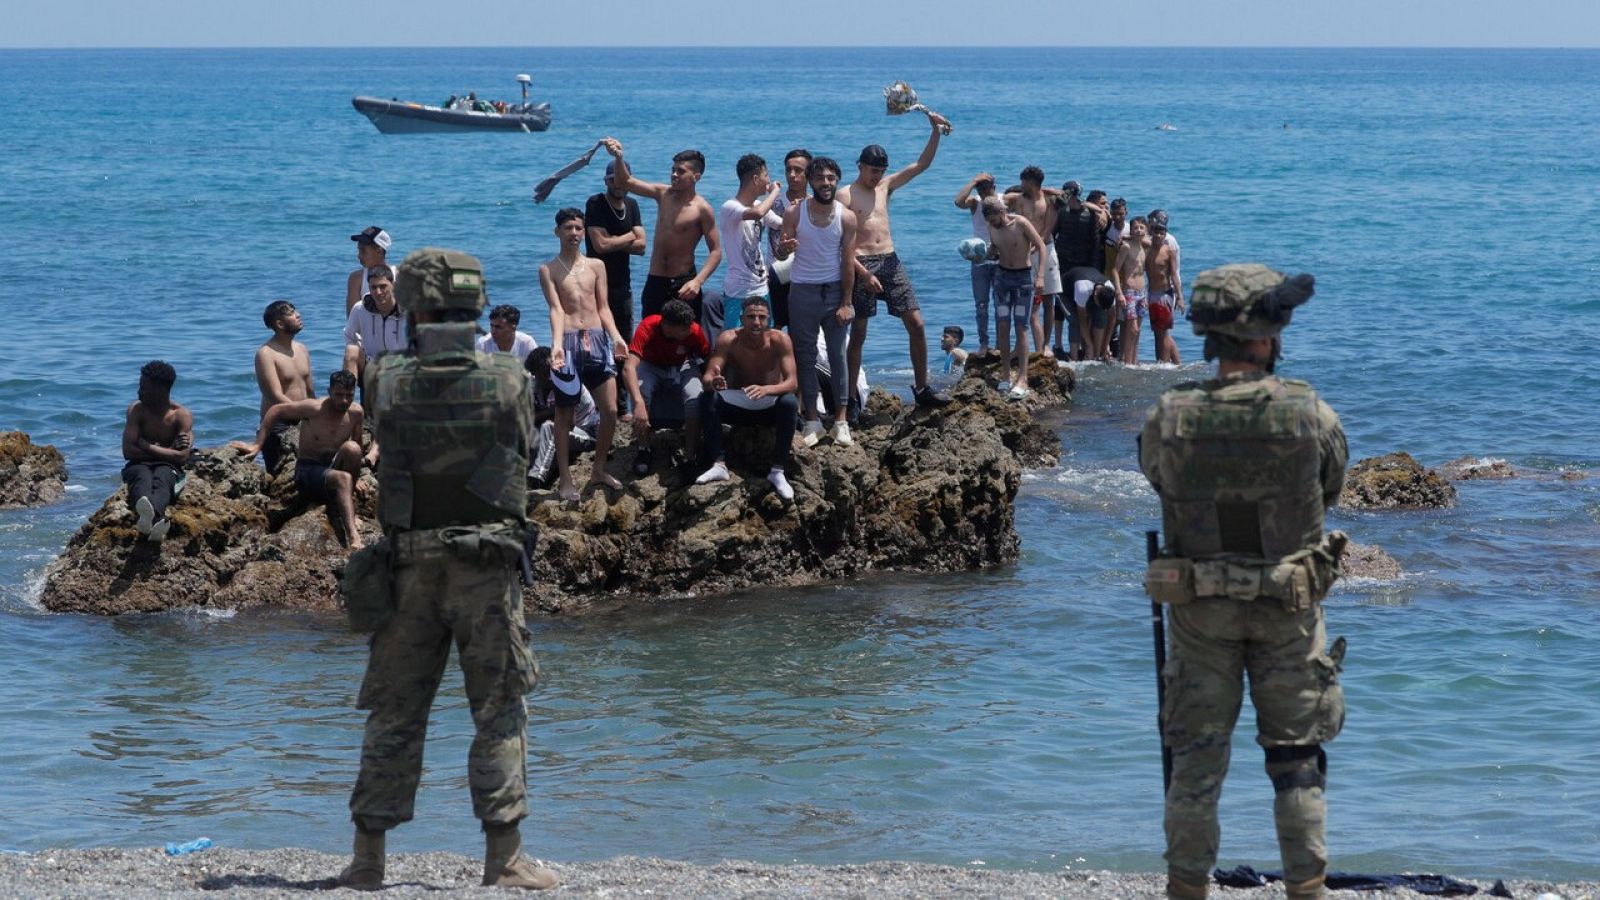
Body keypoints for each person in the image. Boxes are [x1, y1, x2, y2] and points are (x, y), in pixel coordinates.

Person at [337, 247, 554, 892]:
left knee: (394, 712)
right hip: (485, 568)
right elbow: (521, 444)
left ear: (411, 305)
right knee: (499, 709)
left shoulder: (385, 377)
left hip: (408, 568)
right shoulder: (509, 378)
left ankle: (368, 860)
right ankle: (504, 858)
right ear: (476, 304)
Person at [1138, 264, 1347, 900]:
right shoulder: (1309, 413)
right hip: (1287, 606)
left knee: (1195, 763)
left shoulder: (1170, 416)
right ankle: (1306, 890)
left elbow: (1157, 476)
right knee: (1297, 763)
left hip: (1202, 610)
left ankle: (1186, 889)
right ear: (1265, 337)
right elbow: (1330, 487)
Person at [840, 113, 953, 409]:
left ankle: (922, 388)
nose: (876, 176)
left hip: (890, 261)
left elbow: (921, 164)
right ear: (860, 166)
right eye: (872, 170)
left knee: (916, 323)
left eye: (880, 171)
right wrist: (863, 274)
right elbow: (841, 246)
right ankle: (850, 398)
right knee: (859, 334)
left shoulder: (886, 187)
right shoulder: (845, 195)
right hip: (861, 264)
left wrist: (935, 131)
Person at [539, 207, 628, 501]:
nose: (574, 233)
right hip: (567, 343)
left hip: (598, 341)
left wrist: (616, 337)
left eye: (578, 228)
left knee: (611, 410)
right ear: (557, 232)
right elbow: (556, 309)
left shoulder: (596, 266)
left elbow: (604, 307)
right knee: (564, 415)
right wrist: (556, 345)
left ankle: (598, 469)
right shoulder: (548, 270)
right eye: (568, 228)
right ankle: (565, 479)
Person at [232, 370, 373, 549]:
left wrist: (356, 477)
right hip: (307, 472)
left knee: (352, 448)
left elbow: (358, 444)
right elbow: (276, 410)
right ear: (329, 392)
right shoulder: (314, 409)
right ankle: (354, 537)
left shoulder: (356, 412)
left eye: (349, 395)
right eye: (339, 395)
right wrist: (257, 445)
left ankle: (346, 502)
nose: (344, 400)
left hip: (331, 467)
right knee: (342, 478)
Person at [777, 155, 858, 447]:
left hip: (834, 292)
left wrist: (847, 302)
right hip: (802, 292)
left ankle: (841, 421)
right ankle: (812, 420)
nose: (826, 183)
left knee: (838, 356)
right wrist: (785, 248)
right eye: (820, 177)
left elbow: (848, 261)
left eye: (831, 178)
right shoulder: (794, 213)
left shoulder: (846, 217)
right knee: (805, 356)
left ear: (837, 181)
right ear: (810, 180)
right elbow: (781, 253)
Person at [603, 138, 722, 327]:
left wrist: (698, 282)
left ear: (696, 177)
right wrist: (619, 157)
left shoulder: (702, 209)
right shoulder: (663, 194)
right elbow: (625, 182)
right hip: (656, 281)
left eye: (680, 171)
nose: (674, 175)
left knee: (684, 336)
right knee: (650, 333)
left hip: (684, 283)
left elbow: (716, 252)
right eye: (673, 170)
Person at [694, 296, 800, 501]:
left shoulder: (780, 340)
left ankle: (778, 470)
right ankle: (719, 464)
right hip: (739, 402)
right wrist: (713, 382)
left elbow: (792, 383)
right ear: (742, 319)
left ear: (769, 319)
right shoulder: (728, 339)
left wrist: (767, 389)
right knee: (707, 398)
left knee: (789, 402)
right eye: (751, 317)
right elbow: (708, 376)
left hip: (768, 403)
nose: (756, 322)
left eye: (762, 317)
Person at [623, 299, 710, 474]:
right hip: (651, 364)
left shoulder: (694, 331)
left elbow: (707, 358)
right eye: (683, 328)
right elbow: (628, 368)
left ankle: (690, 455)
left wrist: (709, 379)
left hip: (683, 364)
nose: (689, 330)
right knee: (641, 390)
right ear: (667, 326)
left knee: (694, 396)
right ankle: (643, 448)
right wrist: (638, 403)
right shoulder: (648, 326)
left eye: (689, 326)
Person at [979, 196, 1047, 398]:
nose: (992, 223)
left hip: (1023, 280)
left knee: (1021, 327)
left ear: (1001, 212)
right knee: (1002, 325)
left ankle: (1023, 378)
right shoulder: (992, 227)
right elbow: (994, 249)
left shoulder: (1020, 223)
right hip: (1002, 279)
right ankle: (1005, 375)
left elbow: (1041, 246)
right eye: (989, 221)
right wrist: (982, 254)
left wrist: (1040, 276)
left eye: (994, 219)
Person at [121, 360, 193, 543]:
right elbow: (128, 451)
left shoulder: (181, 415)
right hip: (138, 464)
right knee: (141, 477)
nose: (138, 392)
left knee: (163, 479)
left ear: (159, 390)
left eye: (143, 387)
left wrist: (146, 445)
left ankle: (150, 521)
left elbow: (182, 457)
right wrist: (168, 451)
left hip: (169, 467)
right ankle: (154, 520)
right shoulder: (136, 410)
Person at [716, 153, 784, 330]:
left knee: (763, 337)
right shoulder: (730, 207)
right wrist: (775, 192)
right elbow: (757, 213)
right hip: (738, 289)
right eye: (766, 175)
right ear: (755, 179)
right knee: (733, 337)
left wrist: (801, 208)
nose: (768, 180)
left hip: (762, 287)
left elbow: (781, 223)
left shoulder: (757, 204)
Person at [584, 161, 647, 354]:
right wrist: (629, 236)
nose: (618, 184)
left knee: (624, 341)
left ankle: (622, 374)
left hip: (623, 285)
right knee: (596, 340)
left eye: (622, 179)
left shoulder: (632, 204)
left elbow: (641, 247)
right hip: (595, 285)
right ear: (606, 181)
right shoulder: (596, 203)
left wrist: (612, 239)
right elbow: (600, 246)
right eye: (613, 180)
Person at [253, 300, 316, 475]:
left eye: (295, 311)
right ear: (280, 324)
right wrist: (305, 413)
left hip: (304, 419)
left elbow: (310, 390)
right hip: (278, 424)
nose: (298, 315)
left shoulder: (302, 349)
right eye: (291, 313)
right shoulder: (266, 353)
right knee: (280, 477)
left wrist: (318, 414)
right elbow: (274, 395)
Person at [1003, 167, 1061, 356]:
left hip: (1046, 249)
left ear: (1031, 182)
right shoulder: (1017, 199)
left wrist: (1038, 244)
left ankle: (1046, 345)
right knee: (1025, 301)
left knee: (1049, 299)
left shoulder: (1050, 200)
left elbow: (1049, 226)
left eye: (1023, 181)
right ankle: (1021, 346)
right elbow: (998, 199)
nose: (1021, 185)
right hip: (1025, 251)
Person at [525, 346, 600, 486]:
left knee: (549, 427)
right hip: (561, 432)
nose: (549, 376)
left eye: (550, 370)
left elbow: (568, 423)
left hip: (586, 433)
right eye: (543, 372)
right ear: (534, 373)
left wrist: (547, 413)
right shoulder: (534, 387)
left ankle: (536, 478)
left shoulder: (567, 383)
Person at [1053, 182, 1109, 359]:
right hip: (1063, 263)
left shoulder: (1091, 214)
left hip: (1084, 265)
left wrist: (1093, 268)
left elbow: (1095, 241)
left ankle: (1084, 348)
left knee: (1084, 306)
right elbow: (1053, 235)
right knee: (1061, 305)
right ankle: (1058, 344)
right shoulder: (1061, 211)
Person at [764, 148, 813, 330]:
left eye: (798, 170)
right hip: (775, 275)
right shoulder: (773, 201)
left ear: (809, 173)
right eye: (788, 170)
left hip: (804, 277)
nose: (792, 175)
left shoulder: (814, 205)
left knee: (799, 330)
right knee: (773, 329)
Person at [953, 172, 1000, 353]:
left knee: (1000, 305)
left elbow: (1028, 194)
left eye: (986, 187)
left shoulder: (1003, 199)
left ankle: (1000, 344)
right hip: (980, 259)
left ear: (993, 187)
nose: (983, 191)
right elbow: (958, 202)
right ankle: (984, 344)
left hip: (1000, 258)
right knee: (981, 305)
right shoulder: (975, 202)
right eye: (980, 188)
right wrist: (973, 182)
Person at [343, 265, 408, 381]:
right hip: (372, 366)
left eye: (383, 286)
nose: (378, 292)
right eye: (373, 287)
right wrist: (362, 350)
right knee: (351, 351)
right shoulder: (360, 309)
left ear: (393, 285)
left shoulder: (409, 311)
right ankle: (348, 390)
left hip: (402, 367)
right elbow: (349, 336)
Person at [1147, 209, 1185, 364]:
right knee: (1158, 332)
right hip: (1153, 293)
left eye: (1150, 221)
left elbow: (1173, 272)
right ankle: (1168, 362)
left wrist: (1180, 296)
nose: (1148, 224)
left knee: (1163, 333)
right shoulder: (1150, 241)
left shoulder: (1169, 243)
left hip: (1167, 290)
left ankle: (1168, 362)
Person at [1112, 216, 1151, 364]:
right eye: (1135, 228)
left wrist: (1146, 296)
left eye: (1141, 228)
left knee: (1137, 330)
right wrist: (1119, 292)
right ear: (1131, 230)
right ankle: (1128, 362)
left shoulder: (1143, 248)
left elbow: (1150, 241)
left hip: (1142, 293)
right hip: (1129, 292)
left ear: (1146, 230)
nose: (1138, 230)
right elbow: (1115, 270)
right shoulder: (1126, 247)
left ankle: (1134, 361)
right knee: (1131, 328)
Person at [1063, 265, 1118, 362]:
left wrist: (1105, 345)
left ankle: (1096, 355)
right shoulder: (1082, 288)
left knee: (1101, 316)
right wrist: (1089, 346)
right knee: (1075, 321)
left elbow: (1112, 318)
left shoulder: (1110, 288)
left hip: (1088, 292)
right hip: (1066, 292)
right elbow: (1082, 319)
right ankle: (1074, 357)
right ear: (1096, 295)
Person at [346, 226, 397, 314]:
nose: (358, 256)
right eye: (359, 250)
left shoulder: (398, 275)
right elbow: (352, 316)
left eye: (363, 251)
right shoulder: (357, 279)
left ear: (379, 251)